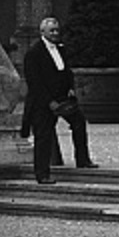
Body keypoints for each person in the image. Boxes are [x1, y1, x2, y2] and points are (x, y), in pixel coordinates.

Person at [22, 17, 94, 183]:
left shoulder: (61, 48)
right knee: (43, 136)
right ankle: (42, 174)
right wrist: (49, 101)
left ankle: (83, 159)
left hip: (63, 97)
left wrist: (70, 88)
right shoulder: (34, 53)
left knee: (79, 122)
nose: (55, 33)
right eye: (51, 30)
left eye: (56, 30)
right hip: (43, 101)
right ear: (43, 32)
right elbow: (34, 82)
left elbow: (66, 71)